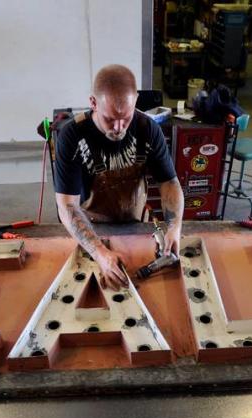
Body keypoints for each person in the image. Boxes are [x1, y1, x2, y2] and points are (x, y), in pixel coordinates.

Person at [54, 64, 184, 289]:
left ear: (135, 102)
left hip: (136, 222)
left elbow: (169, 183)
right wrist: (100, 253)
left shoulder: (147, 128)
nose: (119, 128)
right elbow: (67, 206)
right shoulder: (72, 136)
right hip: (92, 228)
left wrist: (174, 227)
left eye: (126, 118)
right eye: (110, 119)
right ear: (93, 103)